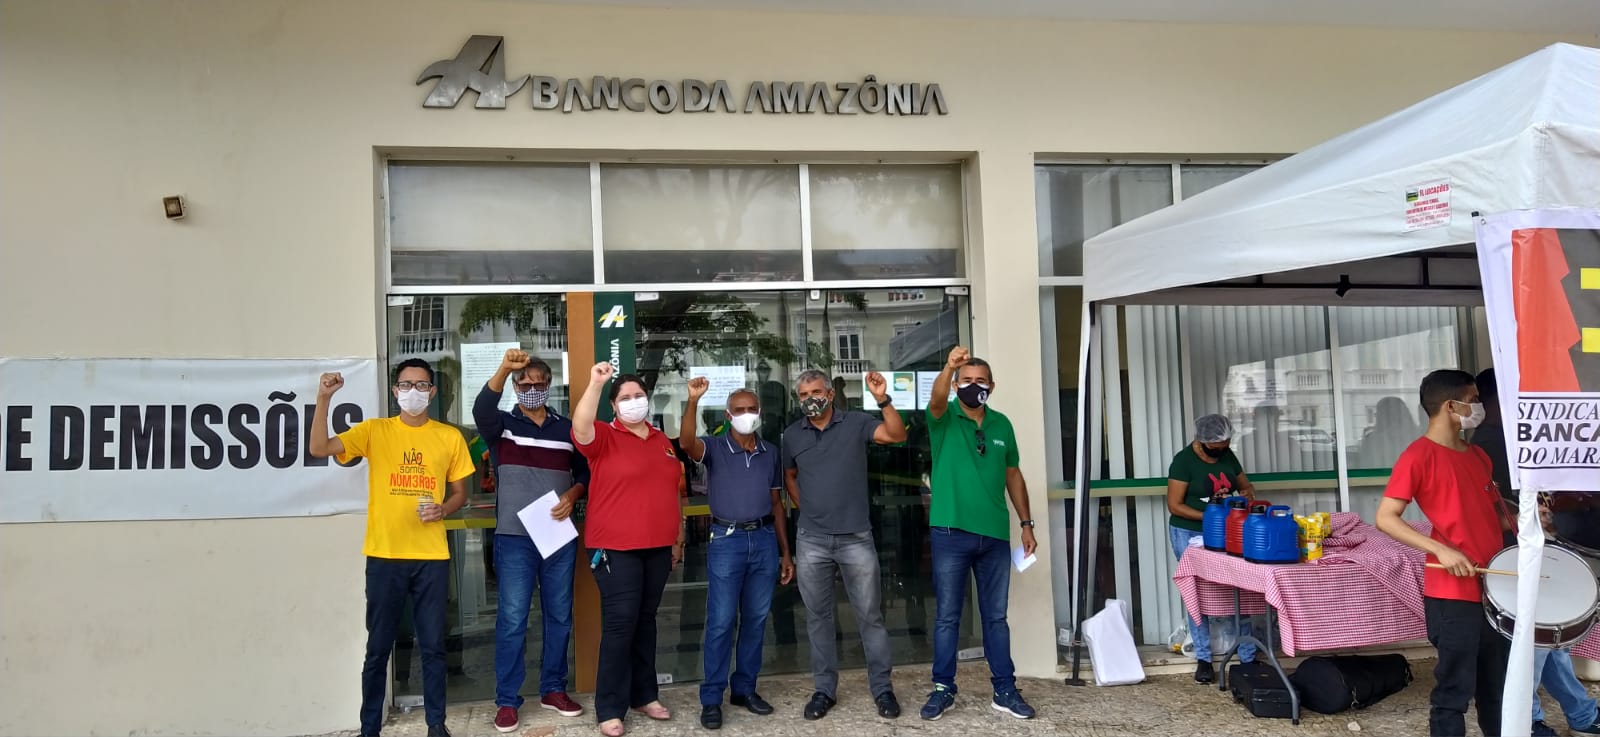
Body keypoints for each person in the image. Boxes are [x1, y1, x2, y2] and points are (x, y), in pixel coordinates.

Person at [310, 359, 474, 737]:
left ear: (432, 392)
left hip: (431, 557)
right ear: (395, 391)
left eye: (421, 385)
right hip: (385, 555)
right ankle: (369, 728)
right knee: (378, 648)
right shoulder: (375, 431)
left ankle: (436, 725)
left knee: (433, 647)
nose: (413, 392)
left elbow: (460, 493)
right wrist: (323, 398)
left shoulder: (448, 437)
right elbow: (319, 447)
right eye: (406, 385)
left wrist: (444, 509)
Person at [1376, 369, 1508, 737]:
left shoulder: (1478, 455)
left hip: (1494, 589)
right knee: (1454, 692)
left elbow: (1488, 516)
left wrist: (1528, 521)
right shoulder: (1418, 456)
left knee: (1496, 690)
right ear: (1451, 406)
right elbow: (1386, 517)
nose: (1479, 406)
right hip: (1452, 595)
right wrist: (1441, 550)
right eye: (1474, 399)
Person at [1470, 369, 1600, 737]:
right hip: (1515, 548)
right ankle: (1528, 719)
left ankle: (1581, 714)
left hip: (1535, 543)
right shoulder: (1490, 443)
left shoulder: (1506, 437)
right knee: (1535, 639)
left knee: (1551, 641)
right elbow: (1498, 503)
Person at [918, 347, 1038, 721]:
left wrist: (1027, 523)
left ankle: (1005, 688)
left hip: (994, 535)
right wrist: (948, 367)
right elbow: (937, 399)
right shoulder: (944, 418)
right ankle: (943, 688)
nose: (974, 386)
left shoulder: (1002, 424)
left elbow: (1013, 474)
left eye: (981, 381)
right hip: (950, 532)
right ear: (957, 385)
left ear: (992, 386)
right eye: (966, 380)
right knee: (947, 617)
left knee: (996, 618)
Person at [474, 349, 590, 732]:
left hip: (557, 535)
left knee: (559, 616)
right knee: (512, 619)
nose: (531, 389)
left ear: (549, 385)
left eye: (538, 383)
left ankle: (553, 689)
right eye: (523, 384)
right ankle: (507, 700)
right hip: (515, 537)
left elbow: (586, 474)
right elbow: (481, 408)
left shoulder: (567, 429)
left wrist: (574, 494)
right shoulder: (501, 426)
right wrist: (505, 367)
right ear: (514, 387)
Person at [782, 369, 909, 721]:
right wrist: (808, 508)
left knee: (870, 616)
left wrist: (882, 399)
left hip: (856, 536)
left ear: (830, 394)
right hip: (812, 539)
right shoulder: (792, 434)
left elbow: (896, 434)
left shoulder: (856, 423)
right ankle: (824, 690)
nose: (810, 399)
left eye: (815, 392)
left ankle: (882, 689)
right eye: (803, 395)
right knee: (818, 618)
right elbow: (789, 475)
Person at [571, 362, 687, 737]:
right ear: (614, 405)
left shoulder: (662, 441)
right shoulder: (604, 437)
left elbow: (672, 492)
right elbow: (581, 427)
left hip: (658, 547)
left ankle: (644, 694)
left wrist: (678, 536)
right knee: (621, 625)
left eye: (639, 395)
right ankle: (609, 707)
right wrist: (595, 383)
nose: (634, 401)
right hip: (615, 548)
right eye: (625, 397)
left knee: (646, 621)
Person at [681, 379, 795, 730]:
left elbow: (777, 503)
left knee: (756, 619)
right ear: (728, 415)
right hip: (727, 539)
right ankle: (711, 697)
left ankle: (744, 689)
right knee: (720, 621)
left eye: (752, 409)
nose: (747, 414)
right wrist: (692, 401)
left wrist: (785, 552)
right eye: (739, 410)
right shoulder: (715, 447)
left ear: (760, 412)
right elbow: (686, 443)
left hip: (763, 539)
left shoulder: (770, 452)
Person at [1166, 413, 1258, 683]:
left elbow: (1245, 485)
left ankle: (1248, 655)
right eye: (1215, 448)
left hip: (1227, 531)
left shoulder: (1228, 456)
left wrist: (1246, 495)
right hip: (1189, 532)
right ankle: (1204, 658)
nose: (1221, 452)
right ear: (1201, 441)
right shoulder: (1183, 462)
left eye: (1225, 446)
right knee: (1198, 592)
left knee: (1237, 588)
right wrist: (1210, 516)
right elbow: (1175, 506)